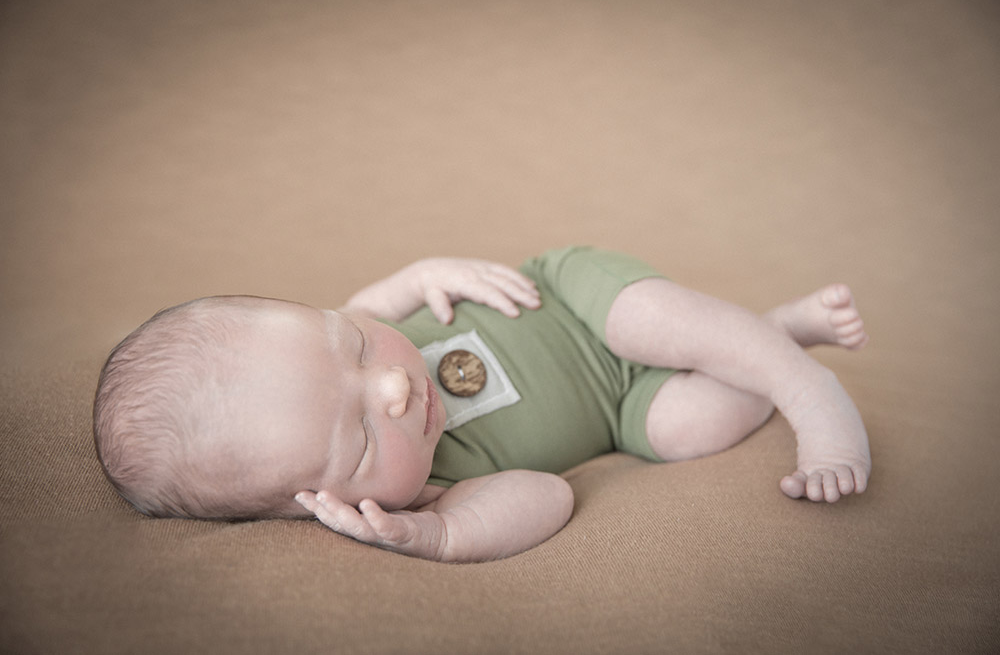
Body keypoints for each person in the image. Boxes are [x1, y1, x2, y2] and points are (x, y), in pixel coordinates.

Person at [93, 246, 871, 562]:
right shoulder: (432, 494)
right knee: (693, 425)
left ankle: (811, 391)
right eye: (364, 435)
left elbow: (401, 288)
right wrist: (437, 533)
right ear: (327, 503)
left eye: (357, 347)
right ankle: (778, 338)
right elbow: (552, 493)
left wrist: (435, 269)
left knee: (653, 320)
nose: (395, 387)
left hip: (571, 300)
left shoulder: (370, 311)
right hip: (624, 408)